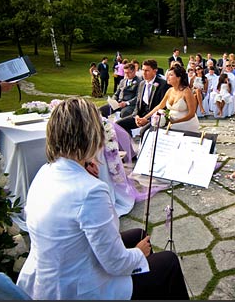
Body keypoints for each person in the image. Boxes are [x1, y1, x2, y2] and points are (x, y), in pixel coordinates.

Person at [16, 97, 189, 300]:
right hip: (76, 288)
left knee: (139, 234)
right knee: (168, 261)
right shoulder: (91, 191)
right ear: (90, 135)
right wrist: (138, 254)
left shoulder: (46, 171)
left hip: (52, 268)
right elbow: (115, 263)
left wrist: (85, 173)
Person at [116, 59, 169, 137]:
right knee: (118, 125)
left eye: (147, 70)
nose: (144, 73)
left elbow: (162, 107)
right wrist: (136, 116)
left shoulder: (163, 84)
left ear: (155, 71)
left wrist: (147, 119)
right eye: (143, 70)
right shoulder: (142, 84)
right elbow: (138, 103)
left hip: (154, 117)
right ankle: (128, 143)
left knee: (143, 132)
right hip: (140, 116)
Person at [141, 64, 200, 133]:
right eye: (167, 75)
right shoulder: (170, 90)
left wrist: (173, 122)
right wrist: (145, 117)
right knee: (149, 131)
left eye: (171, 75)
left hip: (186, 122)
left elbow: (191, 114)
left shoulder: (187, 92)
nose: (167, 77)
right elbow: (160, 106)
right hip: (171, 122)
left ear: (178, 78)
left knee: (161, 132)